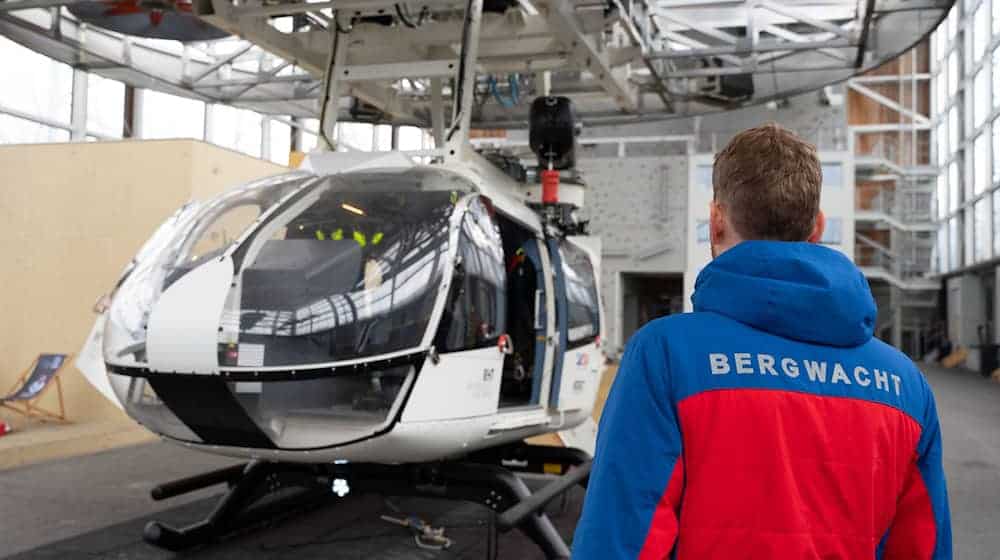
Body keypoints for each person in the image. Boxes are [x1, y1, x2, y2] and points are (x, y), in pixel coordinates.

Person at [571, 124, 951, 559]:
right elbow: (923, 547)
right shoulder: (905, 385)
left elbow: (620, 538)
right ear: (817, 228)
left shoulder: (665, 356)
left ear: (715, 223)